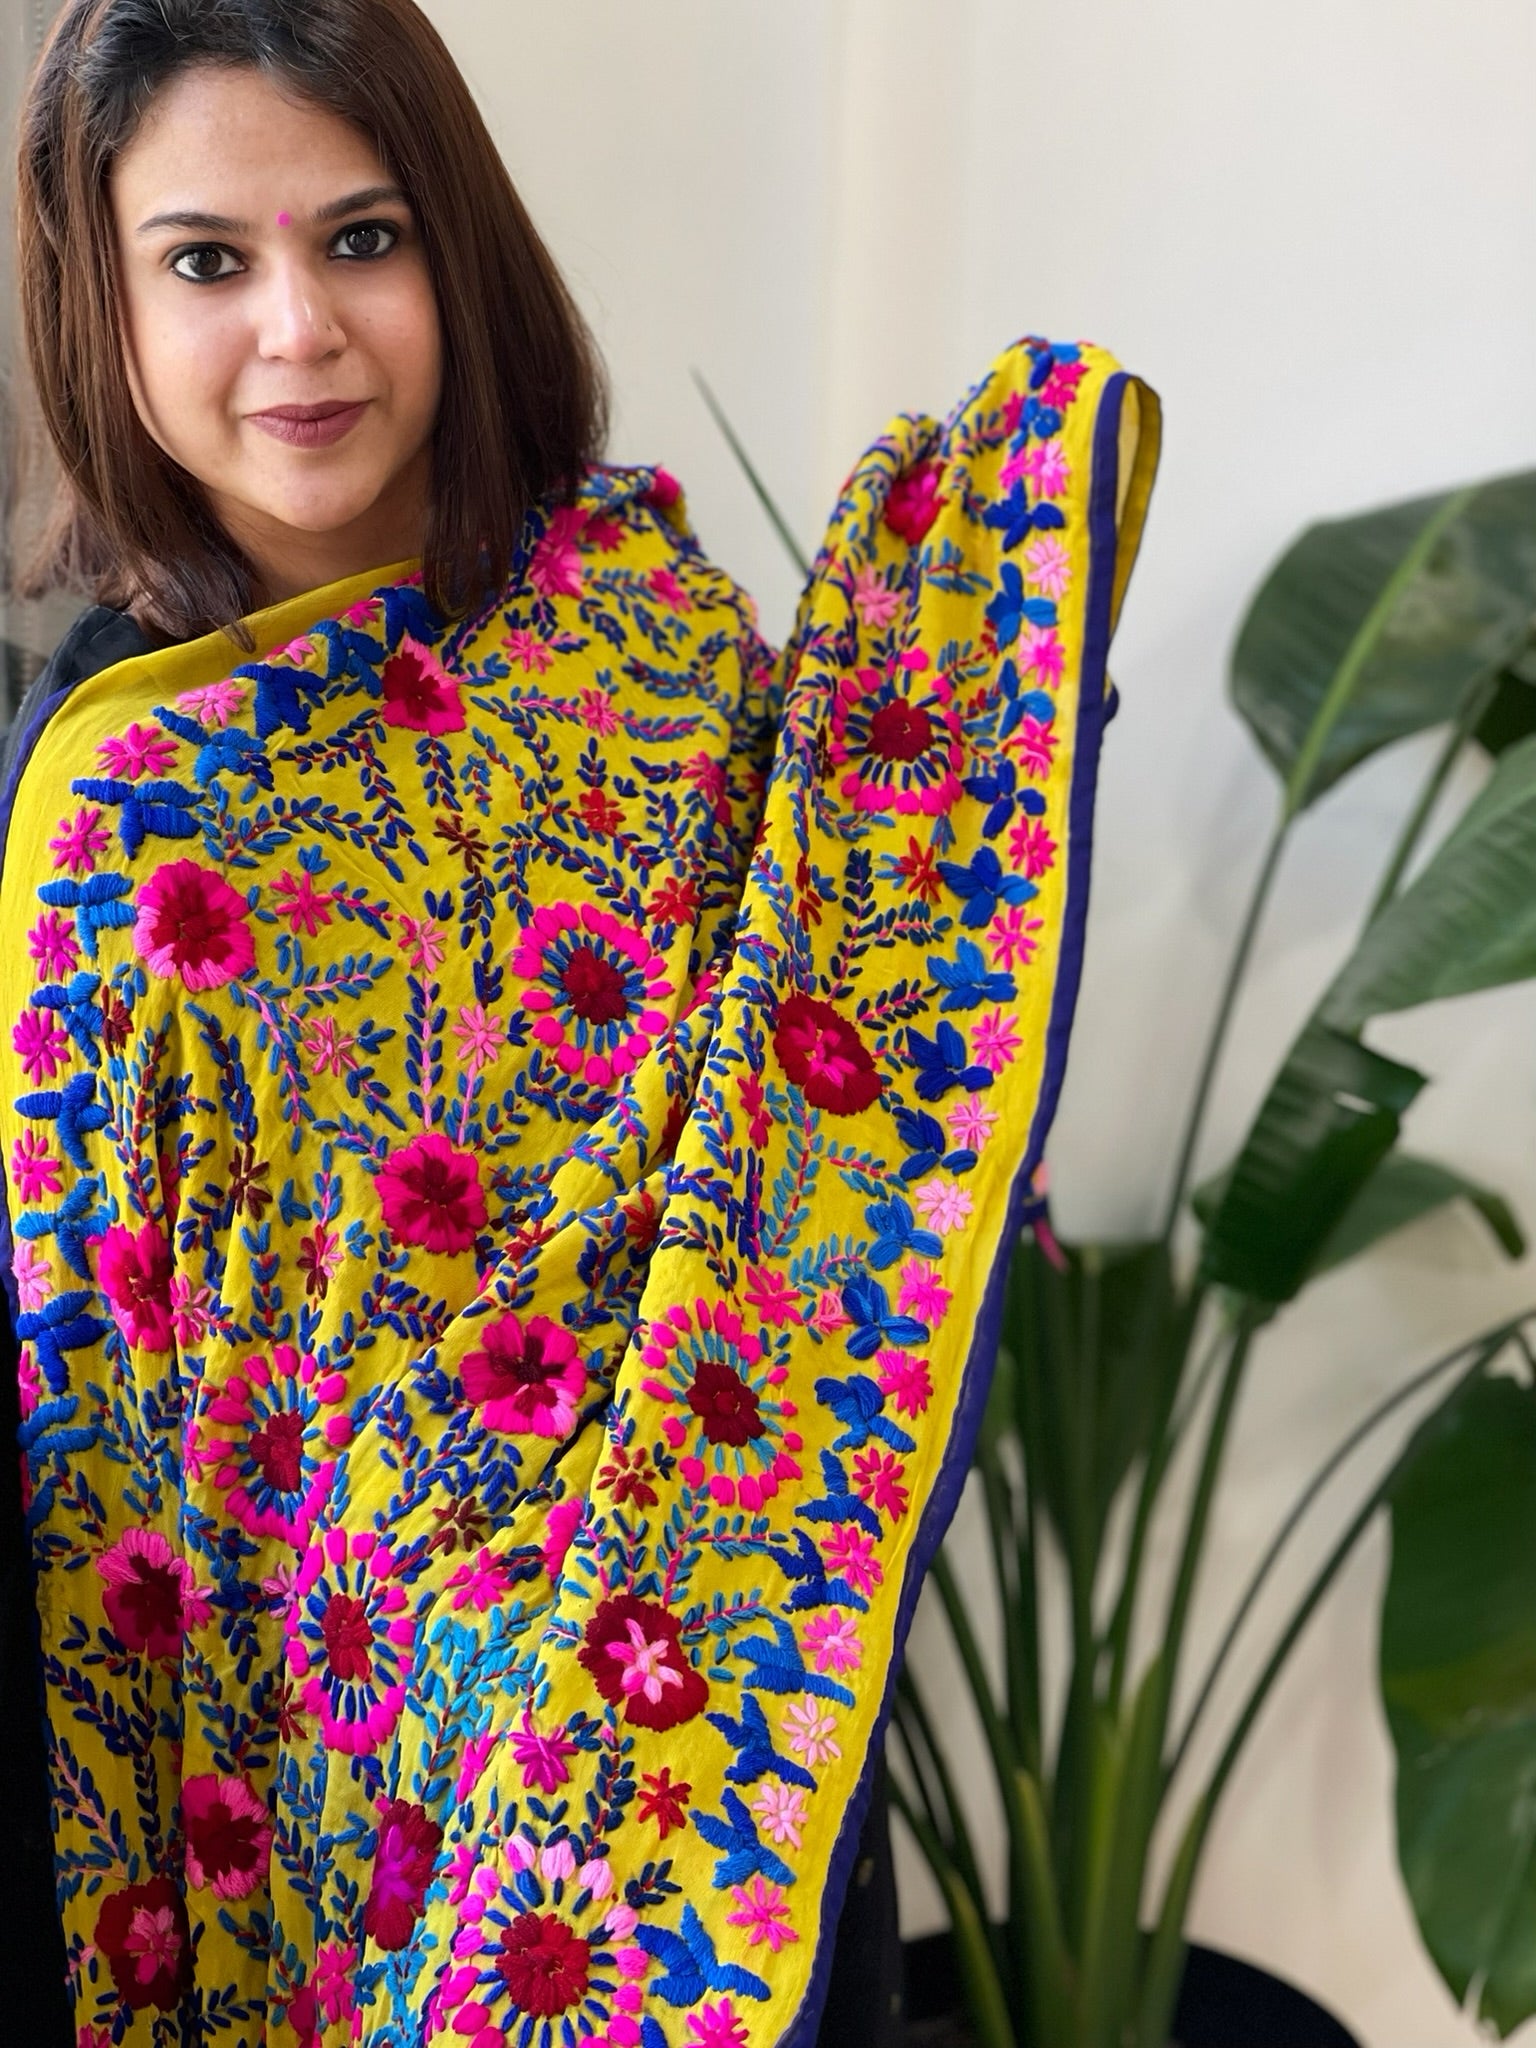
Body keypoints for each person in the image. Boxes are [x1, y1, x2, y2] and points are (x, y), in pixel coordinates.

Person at [2, 3, 1159, 2043]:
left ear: (460, 248)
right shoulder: (114, 798)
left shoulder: (641, 625)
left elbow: (827, 1031)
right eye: (206, 260)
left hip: (724, 1723)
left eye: (364, 238)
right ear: (101, 303)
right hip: (350, 1791)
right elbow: (109, 1408)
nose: (298, 330)